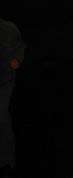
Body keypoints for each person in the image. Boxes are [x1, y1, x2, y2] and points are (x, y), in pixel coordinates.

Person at [0, 18, 26, 177]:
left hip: (4, 81)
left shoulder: (8, 28)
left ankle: (7, 161)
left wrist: (17, 58)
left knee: (1, 117)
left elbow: (20, 46)